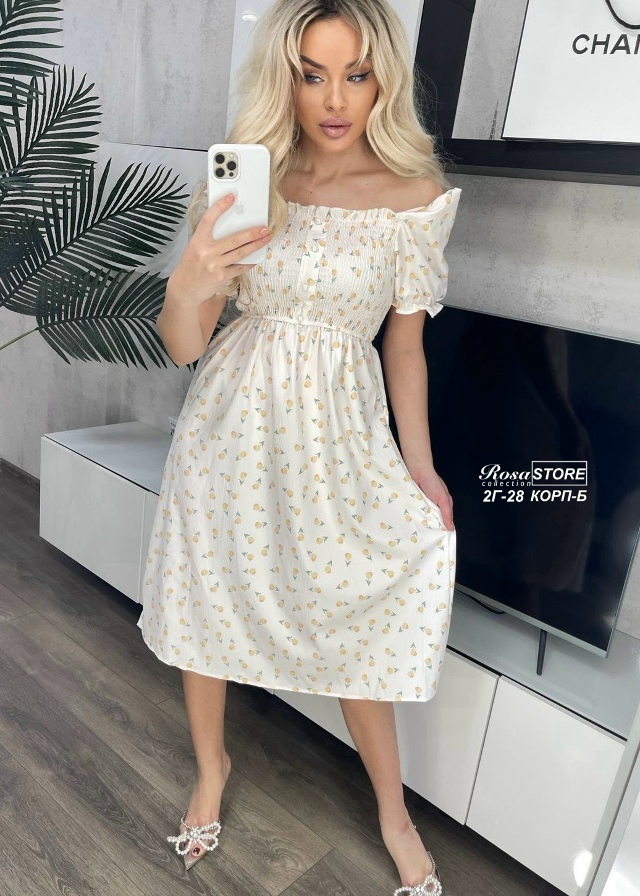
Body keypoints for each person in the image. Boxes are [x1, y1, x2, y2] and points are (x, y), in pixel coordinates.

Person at [137, 1, 461, 893]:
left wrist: (421, 468)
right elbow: (185, 346)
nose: (335, 99)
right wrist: (189, 280)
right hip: (228, 429)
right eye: (312, 75)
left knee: (353, 613)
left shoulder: (413, 200)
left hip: (338, 440)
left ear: (384, 81)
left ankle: (393, 813)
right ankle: (212, 768)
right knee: (207, 603)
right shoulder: (252, 182)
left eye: (356, 75)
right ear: (285, 79)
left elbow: (404, 348)